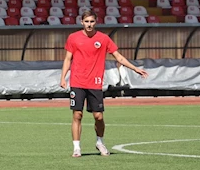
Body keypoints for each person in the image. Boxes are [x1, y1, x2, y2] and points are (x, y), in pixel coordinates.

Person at [60, 10, 148, 158]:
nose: (89, 24)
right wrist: (63, 77)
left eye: (92, 21)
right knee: (77, 114)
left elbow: (118, 56)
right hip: (77, 81)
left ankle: (99, 141)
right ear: (82, 22)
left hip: (95, 82)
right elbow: (68, 59)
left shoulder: (103, 38)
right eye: (86, 21)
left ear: (96, 22)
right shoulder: (73, 38)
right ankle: (76, 147)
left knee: (98, 116)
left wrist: (134, 68)